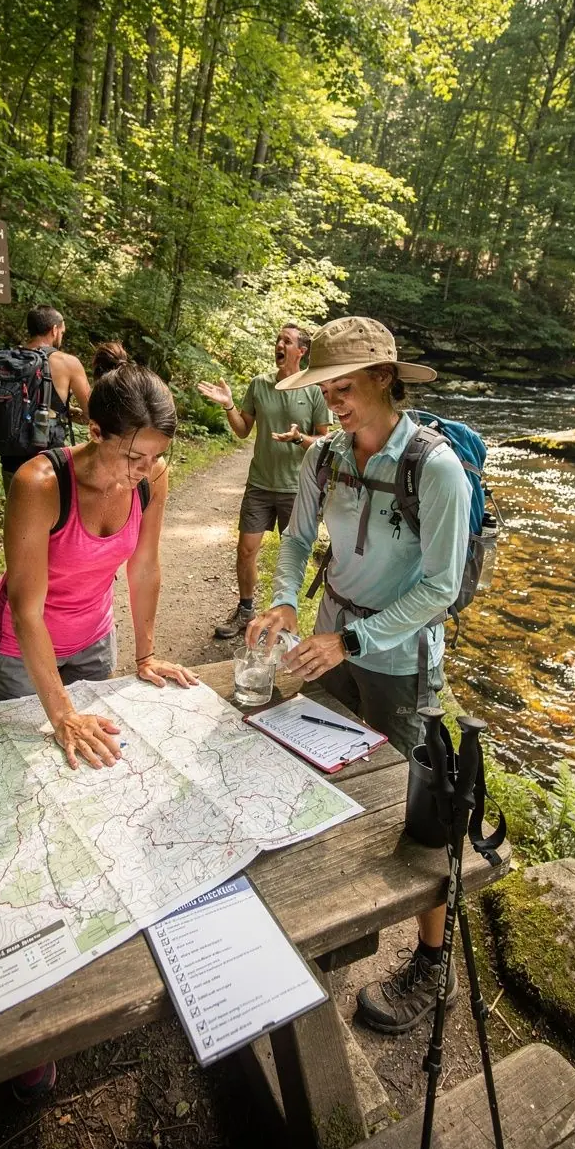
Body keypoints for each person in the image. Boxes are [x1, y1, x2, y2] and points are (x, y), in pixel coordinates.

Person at [0, 341, 197, 1100]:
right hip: (21, 653)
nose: (146, 472)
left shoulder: (153, 479)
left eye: (155, 458)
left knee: (100, 787)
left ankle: (95, 935)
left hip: (94, 643)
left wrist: (146, 654)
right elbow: (29, 609)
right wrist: (60, 710)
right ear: (95, 429)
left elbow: (142, 568)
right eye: (135, 456)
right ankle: (21, 980)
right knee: (25, 798)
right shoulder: (40, 482)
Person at [247, 316, 470, 1036]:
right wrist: (283, 601)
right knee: (319, 771)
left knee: (420, 820)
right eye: (324, 390)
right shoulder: (325, 457)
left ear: (384, 378)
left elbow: (439, 589)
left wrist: (354, 640)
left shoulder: (435, 469)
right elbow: (296, 539)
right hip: (330, 640)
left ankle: (433, 965)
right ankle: (340, 914)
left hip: (399, 661)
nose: (332, 403)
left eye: (342, 388)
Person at [197, 324, 329, 638]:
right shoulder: (260, 384)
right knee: (246, 549)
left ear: (302, 351)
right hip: (259, 484)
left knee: (293, 554)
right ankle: (245, 610)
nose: (279, 345)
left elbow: (325, 443)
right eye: (278, 340)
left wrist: (298, 439)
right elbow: (243, 429)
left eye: (287, 341)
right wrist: (229, 405)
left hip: (297, 488)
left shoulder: (314, 389)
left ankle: (286, 617)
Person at [0, 306, 92, 492]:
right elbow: (93, 412)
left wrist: (64, 410)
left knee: (17, 516)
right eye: (62, 332)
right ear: (54, 330)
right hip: (48, 460)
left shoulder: (7, 360)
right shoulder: (68, 363)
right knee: (53, 517)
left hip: (11, 457)